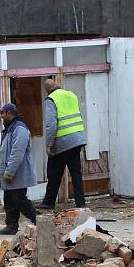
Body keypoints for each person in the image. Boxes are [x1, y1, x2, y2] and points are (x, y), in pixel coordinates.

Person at [39, 79, 87, 209]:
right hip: (77, 139)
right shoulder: (71, 95)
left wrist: (49, 144)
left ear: (47, 90)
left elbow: (51, 125)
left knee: (54, 173)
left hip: (62, 141)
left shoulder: (51, 100)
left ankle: (48, 202)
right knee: (76, 173)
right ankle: (80, 202)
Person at [0, 103, 38, 235]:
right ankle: (12, 226)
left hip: (17, 172)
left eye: (2, 114)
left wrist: (10, 171)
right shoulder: (10, 128)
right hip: (11, 172)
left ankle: (39, 220)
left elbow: (17, 152)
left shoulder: (19, 129)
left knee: (19, 199)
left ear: (8, 113)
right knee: (9, 199)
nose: (1, 117)